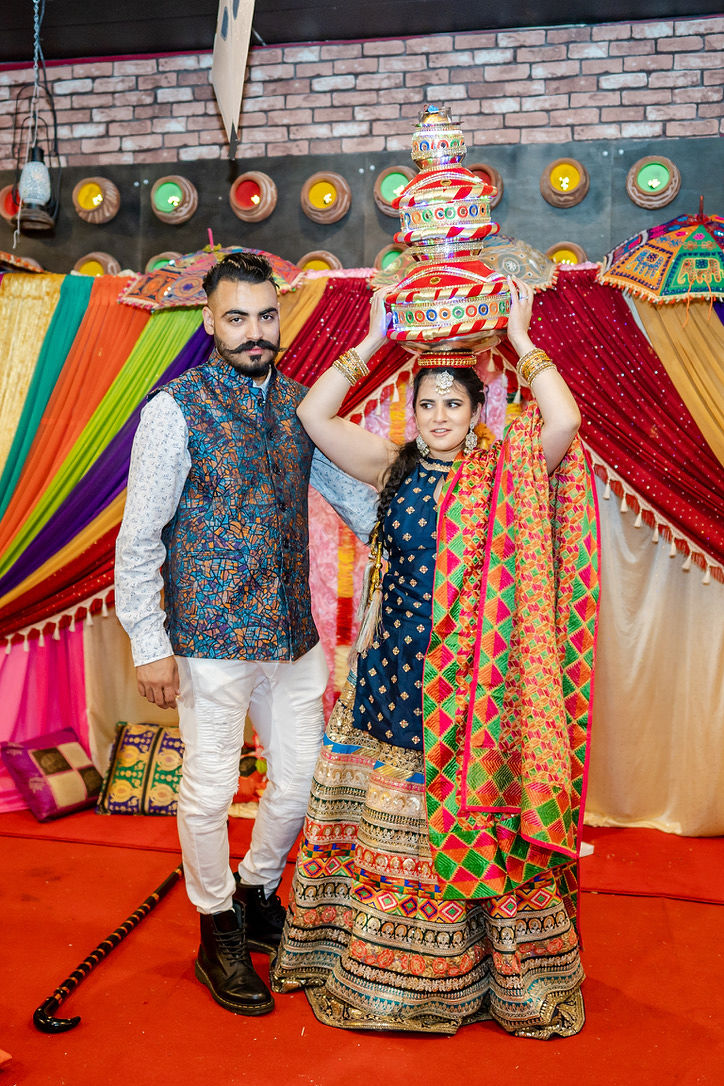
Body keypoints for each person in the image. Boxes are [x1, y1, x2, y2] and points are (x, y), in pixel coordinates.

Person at [271, 278, 599, 1038]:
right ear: (410, 411)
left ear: (478, 409)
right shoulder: (395, 470)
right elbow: (312, 415)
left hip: (476, 695)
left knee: (467, 827)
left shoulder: (509, 476)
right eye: (427, 404)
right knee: (393, 826)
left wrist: (520, 342)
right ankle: (379, 973)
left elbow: (567, 418)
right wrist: (371, 341)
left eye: (454, 403)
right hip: (393, 679)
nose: (440, 417)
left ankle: (475, 978)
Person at [114, 252, 376, 1017]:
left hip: (293, 638)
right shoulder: (176, 408)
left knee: (297, 784)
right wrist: (148, 641)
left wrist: (435, 526)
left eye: (266, 316)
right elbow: (140, 538)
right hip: (205, 639)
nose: (255, 332)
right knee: (208, 792)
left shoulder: (301, 408)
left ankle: (259, 891)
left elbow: (355, 503)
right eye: (237, 318)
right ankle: (216, 925)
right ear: (209, 321)